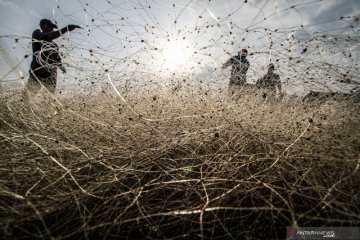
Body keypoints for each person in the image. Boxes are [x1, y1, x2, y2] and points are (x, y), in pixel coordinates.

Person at [22, 19, 81, 101]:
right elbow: (46, 36)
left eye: (53, 28)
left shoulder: (54, 45)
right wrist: (66, 29)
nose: (52, 29)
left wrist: (61, 66)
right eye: (50, 26)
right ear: (44, 26)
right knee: (27, 97)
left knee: (49, 100)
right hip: (37, 73)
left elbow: (57, 59)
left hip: (51, 76)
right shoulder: (37, 33)